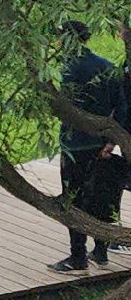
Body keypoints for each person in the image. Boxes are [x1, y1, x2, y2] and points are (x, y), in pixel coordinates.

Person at [50, 22, 129, 274]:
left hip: (75, 145)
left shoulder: (69, 70)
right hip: (101, 145)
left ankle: (77, 256)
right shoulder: (107, 66)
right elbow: (122, 109)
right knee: (101, 194)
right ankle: (101, 251)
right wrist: (111, 142)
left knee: (73, 199)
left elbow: (62, 107)